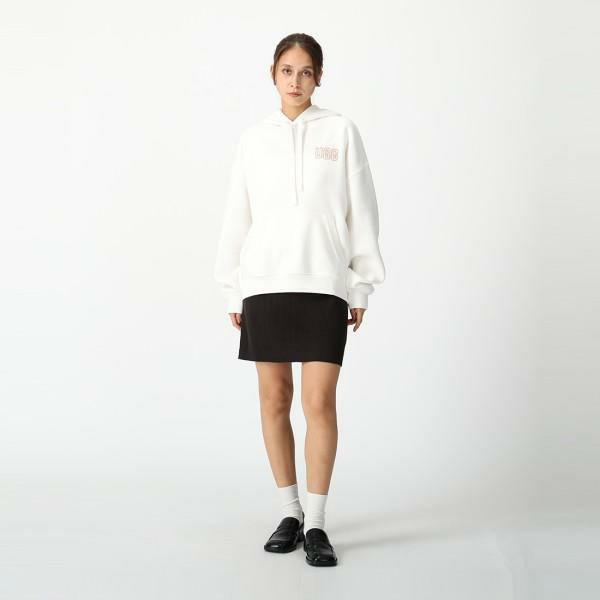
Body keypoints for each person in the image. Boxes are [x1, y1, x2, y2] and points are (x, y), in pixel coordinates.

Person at [214, 32, 385, 567]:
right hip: (264, 283)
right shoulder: (253, 140)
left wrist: (360, 283)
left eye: (306, 71)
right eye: (287, 71)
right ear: (273, 74)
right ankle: (289, 512)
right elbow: (237, 215)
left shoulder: (341, 131)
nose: (296, 81)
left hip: (324, 282)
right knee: (274, 399)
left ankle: (316, 522)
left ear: (319, 77)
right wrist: (233, 286)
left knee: (319, 402)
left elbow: (362, 211)